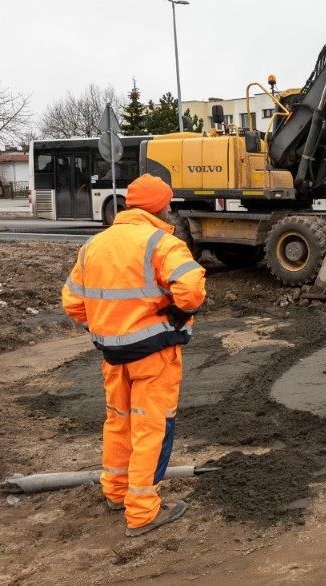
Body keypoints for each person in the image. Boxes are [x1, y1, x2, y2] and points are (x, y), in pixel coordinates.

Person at [61, 174, 206, 537]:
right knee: (150, 427)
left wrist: (106, 325)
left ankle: (116, 491)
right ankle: (142, 512)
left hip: (112, 354)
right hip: (154, 354)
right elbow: (191, 289)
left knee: (118, 421)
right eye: (167, 203)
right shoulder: (163, 243)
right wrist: (179, 310)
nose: (170, 209)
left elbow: (73, 303)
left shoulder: (94, 245)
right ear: (161, 206)